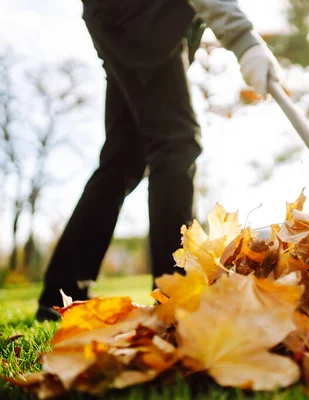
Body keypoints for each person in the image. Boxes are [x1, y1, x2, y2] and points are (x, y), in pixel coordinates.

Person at [35, 0, 280, 321]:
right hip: (143, 20)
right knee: (176, 146)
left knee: (122, 160)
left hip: (123, 22)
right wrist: (244, 40)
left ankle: (61, 293)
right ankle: (176, 292)